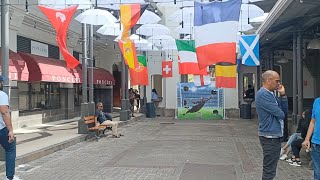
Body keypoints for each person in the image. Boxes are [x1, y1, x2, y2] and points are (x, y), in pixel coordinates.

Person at [256, 70, 288, 180]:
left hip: (274, 135)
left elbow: (284, 111)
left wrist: (283, 95)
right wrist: (281, 110)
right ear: (268, 80)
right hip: (269, 137)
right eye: (277, 81)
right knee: (269, 171)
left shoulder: (272, 94)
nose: (279, 84)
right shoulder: (263, 94)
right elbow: (280, 114)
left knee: (271, 168)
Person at [0, 76, 21, 180]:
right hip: (1, 129)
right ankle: (10, 177)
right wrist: (11, 130)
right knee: (10, 148)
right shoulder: (2, 95)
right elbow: (4, 112)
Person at [303, 98, 320, 179]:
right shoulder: (317, 101)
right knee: (317, 173)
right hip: (316, 143)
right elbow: (313, 121)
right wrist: (307, 139)